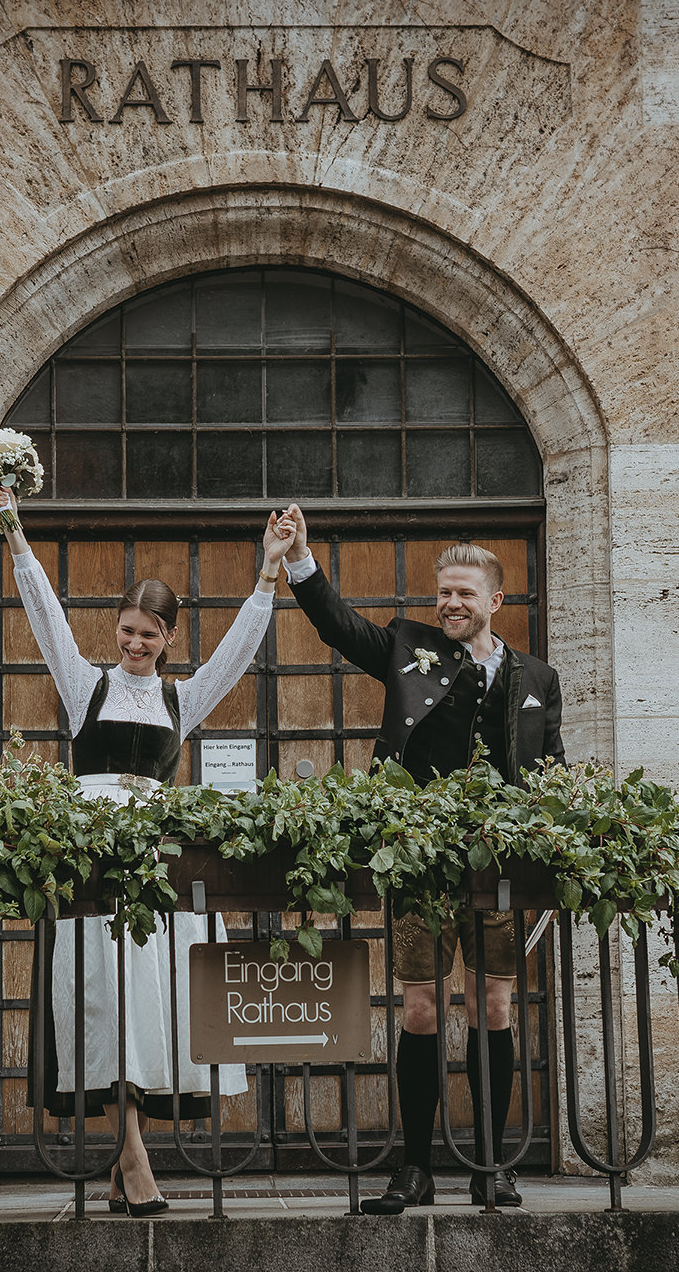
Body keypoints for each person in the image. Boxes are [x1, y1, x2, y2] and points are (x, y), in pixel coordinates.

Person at [0, 484, 296, 1216]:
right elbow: (43, 615)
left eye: (149, 635)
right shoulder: (83, 687)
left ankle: (129, 1161)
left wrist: (267, 574)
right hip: (91, 859)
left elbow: (240, 651)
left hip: (155, 866)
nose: (134, 643)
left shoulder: (181, 701)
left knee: (145, 1003)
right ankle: (135, 1160)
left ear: (167, 639)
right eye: (127, 630)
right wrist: (13, 533)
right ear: (116, 628)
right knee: (101, 999)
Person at [277, 504, 565, 1214]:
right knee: (420, 1010)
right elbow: (339, 626)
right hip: (417, 863)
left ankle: (492, 1167)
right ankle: (413, 1169)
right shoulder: (410, 649)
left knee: (494, 1007)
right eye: (444, 593)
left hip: (497, 867)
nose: (451, 604)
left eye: (465, 593)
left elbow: (554, 770)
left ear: (496, 600)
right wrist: (299, 559)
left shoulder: (536, 677)